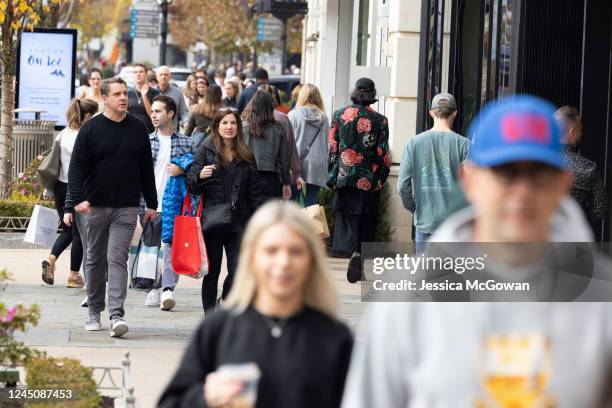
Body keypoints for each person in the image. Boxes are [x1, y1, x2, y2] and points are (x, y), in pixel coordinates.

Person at [340, 95, 612, 408]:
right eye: (505, 173)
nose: (522, 191)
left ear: (563, 183)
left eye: (538, 174)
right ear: (470, 180)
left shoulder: (601, 300)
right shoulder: (408, 297)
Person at [158, 201, 353, 408]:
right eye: (271, 251)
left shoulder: (334, 337)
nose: (283, 262)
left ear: (312, 260)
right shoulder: (218, 329)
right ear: (252, 258)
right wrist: (205, 398)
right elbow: (170, 403)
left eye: (295, 251)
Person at [68, 77, 157, 338]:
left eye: (125, 94)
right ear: (104, 98)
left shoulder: (138, 128)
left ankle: (116, 314)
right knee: (94, 259)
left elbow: (145, 169)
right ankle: (94, 311)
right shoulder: (91, 129)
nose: (123, 98)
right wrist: (78, 199)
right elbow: (76, 168)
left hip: (126, 206)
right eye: (117, 94)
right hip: (94, 206)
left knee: (117, 259)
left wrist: (151, 202)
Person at [187, 109, 263, 311]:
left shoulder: (246, 154)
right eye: (225, 123)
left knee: (239, 271)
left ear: (239, 127)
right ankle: (210, 319)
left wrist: (257, 223)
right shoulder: (205, 150)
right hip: (212, 220)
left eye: (233, 123)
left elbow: (254, 192)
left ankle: (225, 301)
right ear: (217, 127)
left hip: (239, 220)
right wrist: (200, 176)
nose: (229, 127)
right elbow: (191, 185)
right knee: (211, 274)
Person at [328, 78, 391, 283]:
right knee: (366, 219)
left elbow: (333, 149)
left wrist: (332, 176)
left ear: (355, 92)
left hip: (344, 176)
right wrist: (381, 177)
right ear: (372, 94)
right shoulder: (380, 120)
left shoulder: (339, 115)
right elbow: (383, 154)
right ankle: (358, 256)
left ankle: (350, 251)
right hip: (368, 178)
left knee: (348, 218)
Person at [141, 95, 195, 311]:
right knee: (151, 248)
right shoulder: (146, 141)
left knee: (171, 247)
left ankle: (167, 289)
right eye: (152, 111)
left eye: (158, 111)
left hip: (174, 203)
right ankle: (153, 288)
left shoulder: (186, 142)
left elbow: (196, 171)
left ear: (170, 113)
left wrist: (183, 169)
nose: (153, 115)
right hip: (148, 203)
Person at [397, 93, 470, 253]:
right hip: (453, 225)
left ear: (431, 112)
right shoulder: (464, 145)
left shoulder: (414, 143)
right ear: (455, 113)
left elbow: (402, 185)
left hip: (425, 221)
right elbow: (470, 186)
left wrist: (415, 209)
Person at [41, 98, 99, 288]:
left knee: (68, 230)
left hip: (60, 186)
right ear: (88, 116)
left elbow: (53, 163)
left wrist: (48, 188)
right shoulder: (86, 136)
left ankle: (51, 259)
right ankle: (73, 276)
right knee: (79, 234)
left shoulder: (64, 133)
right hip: (78, 188)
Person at [555, 106, 607, 223]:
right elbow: (600, 211)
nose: (581, 135)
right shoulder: (589, 168)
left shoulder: (536, 163)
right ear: (572, 133)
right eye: (580, 131)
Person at [253, 84, 305, 195]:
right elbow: (288, 150)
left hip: (250, 175)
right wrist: (295, 174)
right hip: (274, 175)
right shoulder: (281, 120)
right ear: (274, 99)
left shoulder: (246, 121)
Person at [243, 91, 291, 201]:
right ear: (271, 107)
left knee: (251, 216)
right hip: (272, 179)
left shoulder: (244, 127)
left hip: (248, 177)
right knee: (270, 216)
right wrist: (286, 182)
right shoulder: (279, 129)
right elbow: (285, 159)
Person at [288, 84, 330, 206]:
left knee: (291, 204)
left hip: (295, 164)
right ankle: (306, 225)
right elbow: (326, 143)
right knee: (309, 206)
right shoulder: (324, 118)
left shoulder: (293, 115)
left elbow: (288, 142)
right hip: (317, 165)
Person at [127, 63, 160, 133]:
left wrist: (144, 96)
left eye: (141, 72)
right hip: (131, 131)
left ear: (146, 74)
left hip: (149, 132)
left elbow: (153, 115)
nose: (138, 74)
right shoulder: (128, 92)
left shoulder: (155, 93)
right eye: (135, 72)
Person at [156, 66, 190, 130]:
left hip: (172, 131)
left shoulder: (178, 92)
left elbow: (183, 111)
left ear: (170, 77)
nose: (163, 77)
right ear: (156, 76)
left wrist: (186, 122)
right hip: (154, 131)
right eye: (161, 74)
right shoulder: (152, 92)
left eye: (166, 75)